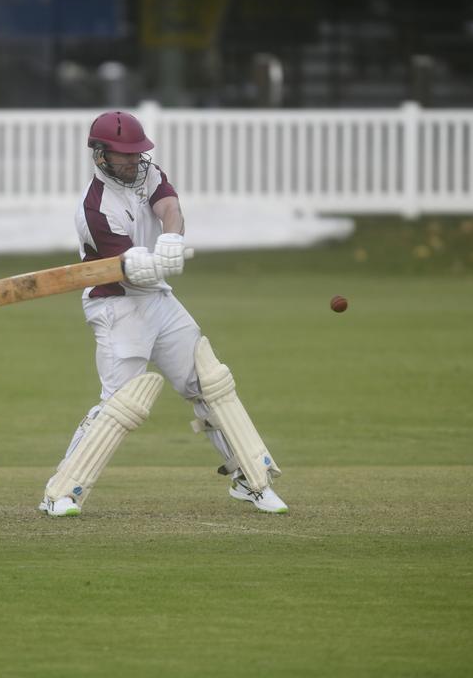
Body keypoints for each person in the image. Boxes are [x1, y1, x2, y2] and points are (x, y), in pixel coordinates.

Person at [38, 111, 287, 517]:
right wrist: (137, 263)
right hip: (116, 303)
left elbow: (170, 207)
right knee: (120, 404)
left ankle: (250, 479)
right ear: (100, 156)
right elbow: (123, 270)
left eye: (138, 154)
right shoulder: (94, 208)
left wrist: (172, 235)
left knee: (210, 383)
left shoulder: (146, 174)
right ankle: (61, 493)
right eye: (124, 157)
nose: (134, 163)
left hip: (158, 298)